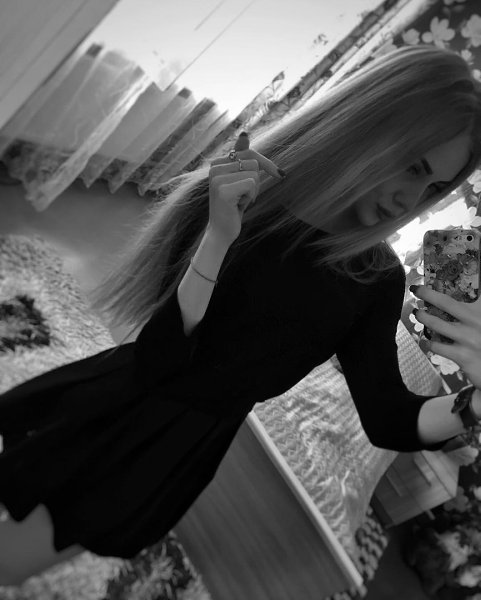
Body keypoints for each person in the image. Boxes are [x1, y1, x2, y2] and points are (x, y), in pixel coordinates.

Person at [1, 43, 481, 586]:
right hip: (119, 394)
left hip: (177, 452)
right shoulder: (246, 197)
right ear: (370, 124)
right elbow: (162, 353)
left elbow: (390, 418)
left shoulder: (375, 278)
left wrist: (475, 401)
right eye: (413, 166)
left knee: (13, 560)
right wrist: (218, 235)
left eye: (433, 187)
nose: (409, 200)